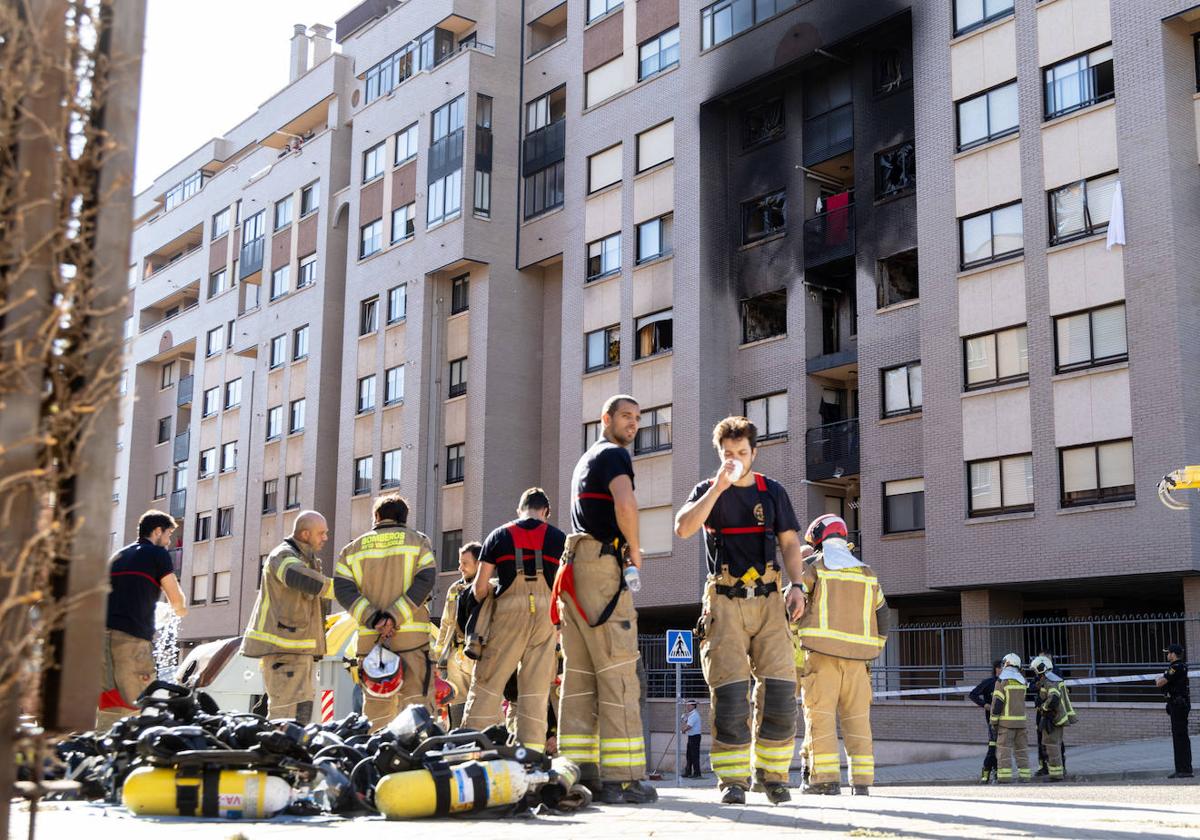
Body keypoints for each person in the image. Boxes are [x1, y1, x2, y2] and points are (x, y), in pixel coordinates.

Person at [675, 415, 807, 805]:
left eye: (741, 452)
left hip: (770, 599)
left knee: (781, 691)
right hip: (725, 602)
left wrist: (797, 585)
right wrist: (718, 487)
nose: (735, 458)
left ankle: (775, 777)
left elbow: (789, 542)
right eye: (728, 453)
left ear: (754, 452)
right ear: (720, 454)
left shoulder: (772, 492)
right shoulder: (707, 490)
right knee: (730, 695)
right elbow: (683, 528)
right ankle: (733, 781)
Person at [554, 394, 657, 804]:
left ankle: (582, 772)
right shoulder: (615, 455)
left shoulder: (585, 459)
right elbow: (626, 503)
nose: (633, 424)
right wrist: (635, 550)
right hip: (601, 567)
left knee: (578, 678)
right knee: (618, 671)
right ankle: (624, 779)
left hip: (575, 570)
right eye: (626, 417)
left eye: (637, 417)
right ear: (606, 419)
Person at [462, 488, 564, 753]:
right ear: (546, 512)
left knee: (487, 686)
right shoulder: (559, 539)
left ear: (520, 509)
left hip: (507, 616)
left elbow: (479, 589)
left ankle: (470, 754)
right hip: (545, 619)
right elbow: (565, 588)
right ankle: (530, 758)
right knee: (535, 694)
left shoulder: (499, 535)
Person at [793, 514, 888, 796]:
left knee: (820, 719)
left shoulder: (814, 568)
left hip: (821, 659)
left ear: (819, 540)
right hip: (859, 664)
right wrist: (872, 648)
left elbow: (792, 604)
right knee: (858, 721)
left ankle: (825, 781)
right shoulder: (868, 574)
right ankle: (861, 783)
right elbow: (883, 617)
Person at [334, 494, 437, 731]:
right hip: (413, 643)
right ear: (404, 518)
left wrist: (375, 618)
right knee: (417, 708)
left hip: (373, 646)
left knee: (376, 713)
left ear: (377, 516)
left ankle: (376, 762)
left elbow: (343, 589)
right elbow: (425, 580)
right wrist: (394, 617)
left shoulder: (353, 549)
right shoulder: (418, 542)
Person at [241, 510, 334, 723]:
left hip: (297, 652)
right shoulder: (282, 556)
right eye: (321, 533)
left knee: (298, 715)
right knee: (285, 716)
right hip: (284, 652)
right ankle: (279, 755)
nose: (325, 538)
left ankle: (290, 753)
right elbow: (300, 578)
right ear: (304, 534)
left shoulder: (307, 560)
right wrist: (341, 590)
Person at [97, 510, 187, 729]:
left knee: (109, 708)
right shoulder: (157, 554)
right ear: (157, 531)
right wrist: (176, 610)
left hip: (101, 641)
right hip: (132, 640)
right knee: (144, 705)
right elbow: (177, 601)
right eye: (167, 535)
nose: (168, 542)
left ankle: (104, 756)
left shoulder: (116, 557)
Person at [434, 542, 481, 727]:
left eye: (465, 563)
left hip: (481, 656)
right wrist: (438, 657)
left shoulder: (492, 587)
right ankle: (457, 738)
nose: (460, 567)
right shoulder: (455, 589)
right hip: (457, 656)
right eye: (460, 563)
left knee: (481, 703)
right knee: (456, 703)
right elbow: (446, 624)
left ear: (479, 564)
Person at [1030, 654, 1076, 782]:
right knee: (1053, 745)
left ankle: (1056, 775)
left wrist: (1044, 707)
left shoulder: (1050, 681)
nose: (1035, 674)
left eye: (1036, 671)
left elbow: (1054, 697)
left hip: (1053, 718)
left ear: (1041, 669)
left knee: (1051, 745)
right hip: (1055, 717)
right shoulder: (1052, 679)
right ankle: (1057, 772)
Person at [990, 652, 1032, 783]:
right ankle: (1025, 776)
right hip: (1021, 723)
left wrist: (993, 721)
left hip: (1006, 724)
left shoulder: (1002, 681)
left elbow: (998, 703)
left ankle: (1004, 777)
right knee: (1022, 750)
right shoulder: (1022, 681)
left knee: (1004, 751)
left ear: (1005, 664)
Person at [1156, 643, 1192, 778]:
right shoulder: (1180, 667)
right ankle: (1183, 769)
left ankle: (1184, 770)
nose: (1167, 655)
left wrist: (1158, 680)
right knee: (1180, 737)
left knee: (1180, 737)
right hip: (1178, 704)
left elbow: (1161, 683)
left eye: (1168, 652)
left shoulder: (1175, 667)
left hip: (1178, 705)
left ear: (1173, 654)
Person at [968, 660, 1003, 783]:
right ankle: (986, 771)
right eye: (1002, 667)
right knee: (993, 748)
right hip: (993, 722)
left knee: (1002, 749)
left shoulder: (1008, 683)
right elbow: (973, 695)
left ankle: (999, 772)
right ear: (996, 669)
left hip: (1007, 721)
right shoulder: (989, 683)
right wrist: (984, 704)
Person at [681, 700, 703, 778]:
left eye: (689, 705)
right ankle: (688, 772)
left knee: (694, 756)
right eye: (687, 705)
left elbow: (689, 726)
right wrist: (684, 718)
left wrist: (683, 730)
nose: (687, 707)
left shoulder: (694, 715)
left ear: (693, 706)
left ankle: (697, 773)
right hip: (691, 736)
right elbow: (687, 722)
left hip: (695, 737)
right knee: (689, 755)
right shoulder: (691, 714)